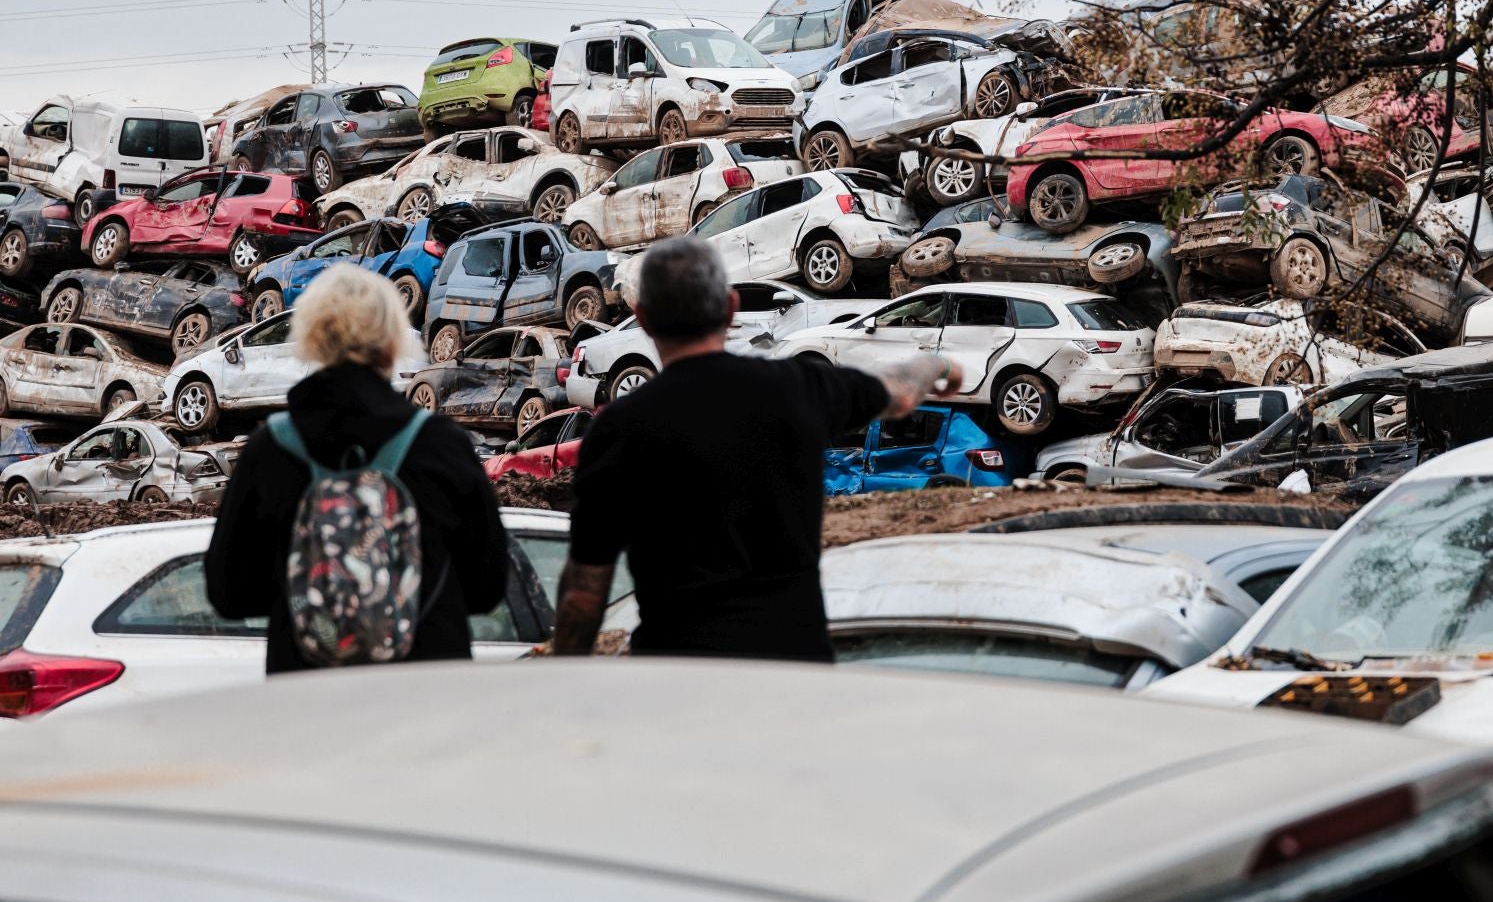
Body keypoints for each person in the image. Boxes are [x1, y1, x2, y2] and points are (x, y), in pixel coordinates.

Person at [551, 235, 960, 662]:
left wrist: (566, 673)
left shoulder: (618, 430)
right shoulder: (797, 388)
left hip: (675, 676)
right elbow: (898, 391)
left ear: (643, 320)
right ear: (730, 309)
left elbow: (585, 590)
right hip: (790, 669)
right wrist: (939, 364)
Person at [206, 264, 509, 673]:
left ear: (314, 340)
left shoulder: (270, 450)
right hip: (426, 697)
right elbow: (487, 588)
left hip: (311, 698)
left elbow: (229, 593)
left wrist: (316, 589)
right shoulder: (440, 444)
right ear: (391, 343)